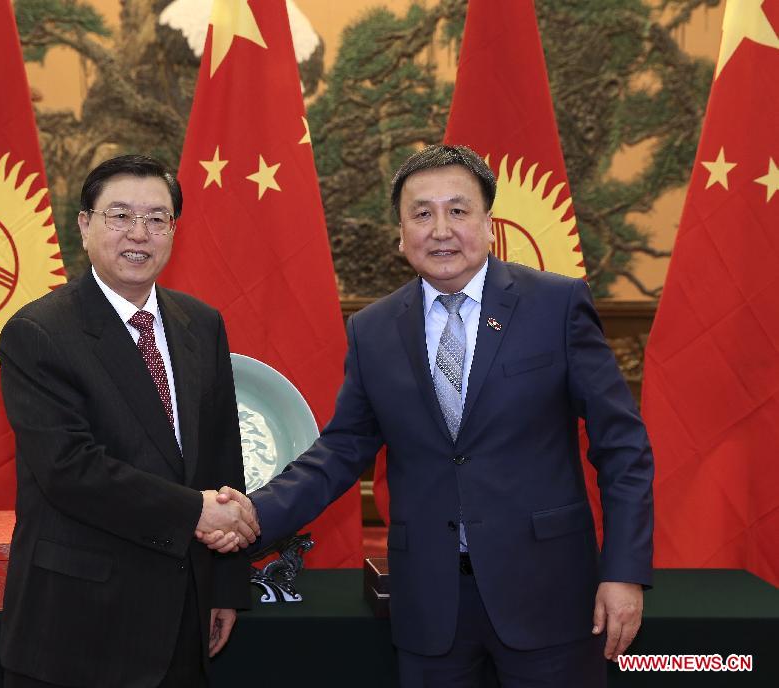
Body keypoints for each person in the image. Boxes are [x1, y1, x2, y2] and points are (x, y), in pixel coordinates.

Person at [207, 145, 654, 687]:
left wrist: (625, 573)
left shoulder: (555, 306)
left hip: (549, 592)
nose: (440, 229)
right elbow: (342, 450)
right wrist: (253, 514)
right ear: (400, 234)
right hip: (430, 604)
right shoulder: (373, 330)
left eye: (458, 211)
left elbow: (622, 446)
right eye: (421, 214)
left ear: (489, 225)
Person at [0, 154, 259, 688]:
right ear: (85, 225)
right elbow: (68, 470)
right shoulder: (40, 332)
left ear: (173, 231)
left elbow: (222, 459)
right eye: (119, 215)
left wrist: (225, 590)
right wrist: (195, 512)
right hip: (78, 629)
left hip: (183, 622)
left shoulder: (201, 324)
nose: (139, 233)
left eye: (157, 218)